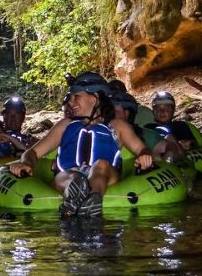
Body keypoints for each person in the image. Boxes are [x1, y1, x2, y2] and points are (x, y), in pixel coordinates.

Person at [10, 72, 154, 218]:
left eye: (76, 96)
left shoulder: (117, 126)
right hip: (68, 177)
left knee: (101, 165)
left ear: (95, 98)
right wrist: (26, 163)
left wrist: (144, 155)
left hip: (104, 175)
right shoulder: (65, 125)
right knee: (69, 176)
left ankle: (91, 201)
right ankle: (75, 197)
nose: (70, 102)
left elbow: (142, 149)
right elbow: (32, 153)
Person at [111, 90, 182, 163]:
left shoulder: (145, 133)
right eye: (158, 109)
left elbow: (169, 146)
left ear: (127, 113)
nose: (162, 112)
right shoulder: (103, 131)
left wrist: (168, 157)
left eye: (114, 110)